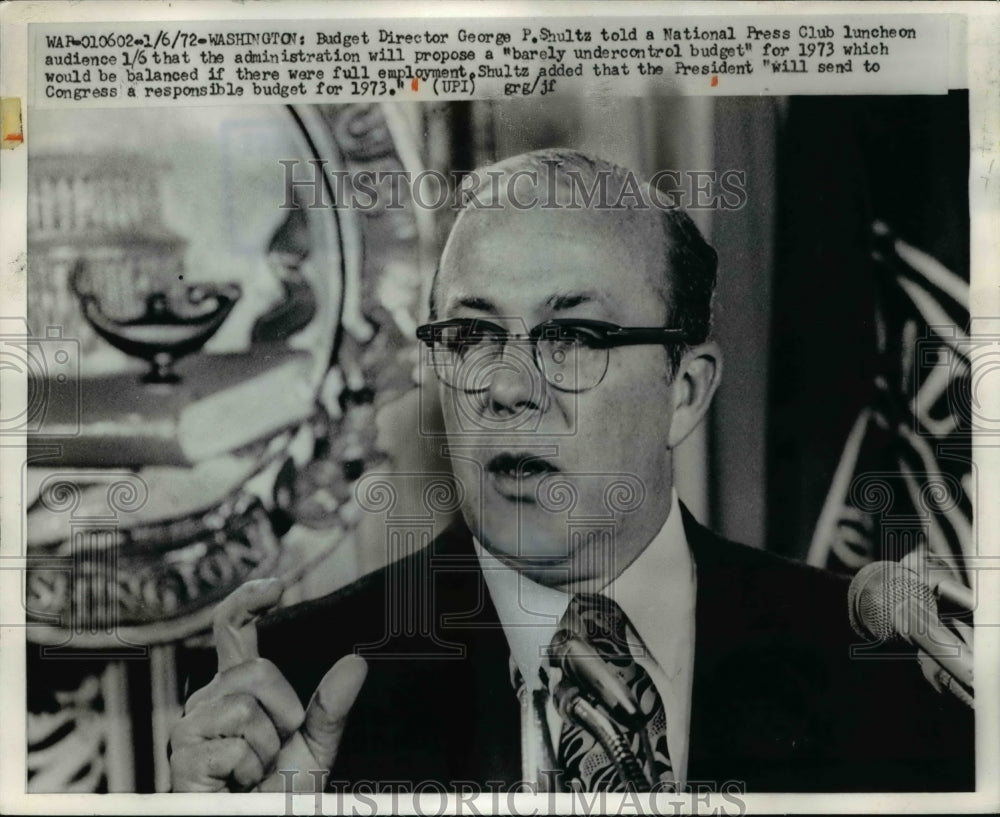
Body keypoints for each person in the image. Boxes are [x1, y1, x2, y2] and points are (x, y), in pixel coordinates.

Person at [169, 149, 973, 794]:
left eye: (575, 337)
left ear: (684, 391)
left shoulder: (881, 673)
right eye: (473, 335)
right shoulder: (291, 688)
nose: (510, 388)